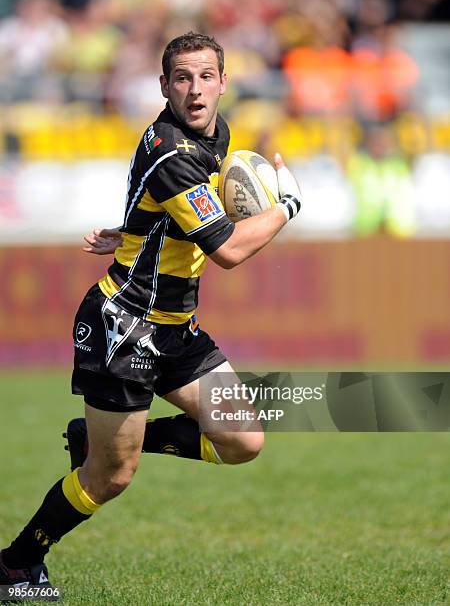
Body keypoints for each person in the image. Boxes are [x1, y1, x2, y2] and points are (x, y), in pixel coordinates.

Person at [0, 32, 302, 593]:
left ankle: (106, 438)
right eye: (182, 78)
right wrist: (286, 207)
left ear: (224, 82)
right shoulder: (172, 152)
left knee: (243, 439)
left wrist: (132, 231)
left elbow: (162, 206)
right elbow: (230, 250)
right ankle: (17, 562)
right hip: (125, 327)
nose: (195, 89)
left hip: (176, 330)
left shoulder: (215, 134)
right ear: (164, 86)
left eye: (206, 76)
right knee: (111, 477)